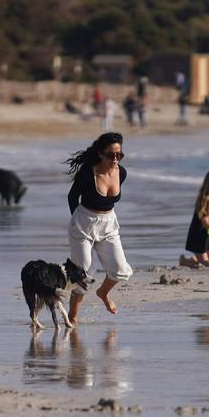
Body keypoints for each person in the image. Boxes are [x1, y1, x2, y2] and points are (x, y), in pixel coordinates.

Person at [65, 132, 133, 322]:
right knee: (83, 271)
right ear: (100, 154)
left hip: (109, 224)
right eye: (111, 155)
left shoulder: (122, 173)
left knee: (120, 269)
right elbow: (72, 197)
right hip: (83, 223)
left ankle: (103, 293)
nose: (115, 159)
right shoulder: (88, 173)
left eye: (119, 155)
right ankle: (72, 316)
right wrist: (77, 220)